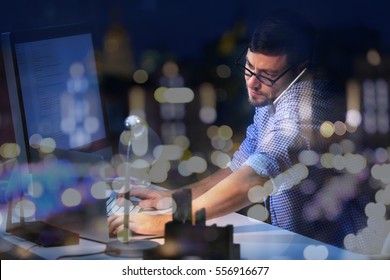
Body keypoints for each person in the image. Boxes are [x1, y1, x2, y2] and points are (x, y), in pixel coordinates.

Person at [108, 10, 365, 249]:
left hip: (325, 253)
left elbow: (253, 179)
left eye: (266, 74)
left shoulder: (304, 111)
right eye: (250, 67)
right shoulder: (272, 95)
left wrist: (167, 223)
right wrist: (177, 200)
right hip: (291, 244)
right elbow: (238, 168)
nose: (252, 83)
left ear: (300, 70)